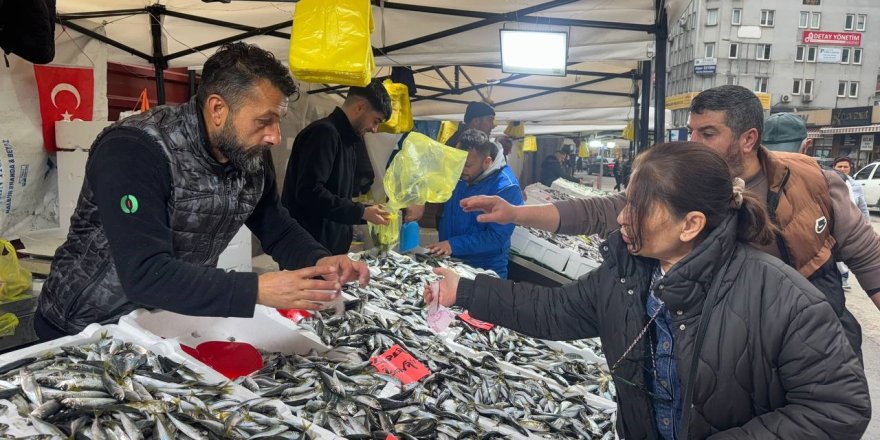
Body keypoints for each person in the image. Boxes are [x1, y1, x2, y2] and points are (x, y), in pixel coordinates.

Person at [430, 142, 869, 439]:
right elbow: (555, 310)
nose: (622, 220)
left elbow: (838, 408)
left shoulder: (782, 296)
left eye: (637, 210)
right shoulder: (629, 275)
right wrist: (466, 291)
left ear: (691, 224)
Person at [461, 85, 880, 358]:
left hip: (810, 333)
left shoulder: (812, 181)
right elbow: (601, 211)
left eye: (708, 133)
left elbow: (869, 260)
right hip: (729, 339)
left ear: (748, 138)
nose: (693, 142)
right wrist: (517, 213)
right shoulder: (683, 184)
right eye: (692, 131)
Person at [36, 42, 370, 339]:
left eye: (278, 121)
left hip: (163, 326)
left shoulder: (248, 154)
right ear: (217, 109)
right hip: (83, 327)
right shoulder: (135, 150)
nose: (275, 137)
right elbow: (145, 273)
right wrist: (257, 289)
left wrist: (320, 260)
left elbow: (275, 225)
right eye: (264, 121)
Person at [282, 79, 393, 255]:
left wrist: (366, 210)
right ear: (360, 107)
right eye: (376, 121)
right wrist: (361, 212)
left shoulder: (348, 141)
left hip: (328, 250)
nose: (374, 129)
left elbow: (337, 195)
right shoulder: (324, 134)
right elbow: (309, 193)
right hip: (309, 250)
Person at [426, 130, 523, 278]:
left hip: (484, 271)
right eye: (458, 163)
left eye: (467, 165)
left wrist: (453, 244)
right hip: (451, 263)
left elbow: (496, 237)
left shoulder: (506, 188)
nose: (460, 170)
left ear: (487, 162)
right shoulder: (462, 175)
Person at [833, 156, 871, 290]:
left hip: (850, 225)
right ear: (834, 167)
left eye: (845, 167)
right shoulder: (828, 182)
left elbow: (863, 206)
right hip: (833, 225)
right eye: (839, 166)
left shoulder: (856, 186)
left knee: (847, 252)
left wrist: (867, 224)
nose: (843, 169)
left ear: (850, 169)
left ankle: (844, 277)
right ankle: (839, 276)